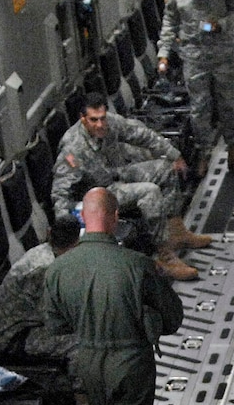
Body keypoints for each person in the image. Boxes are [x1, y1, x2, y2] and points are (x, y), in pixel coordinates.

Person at [43, 188, 185, 405]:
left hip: (89, 362)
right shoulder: (136, 265)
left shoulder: (58, 269)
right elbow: (173, 318)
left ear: (82, 221)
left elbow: (56, 324)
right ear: (116, 217)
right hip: (129, 361)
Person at [50, 94, 207, 282]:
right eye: (94, 120)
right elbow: (60, 191)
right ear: (83, 119)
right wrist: (65, 233)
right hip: (99, 194)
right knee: (149, 192)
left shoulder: (112, 123)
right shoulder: (73, 147)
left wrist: (174, 155)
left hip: (118, 174)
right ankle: (164, 255)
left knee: (166, 169)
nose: (100, 124)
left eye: (102, 118)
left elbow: (143, 135)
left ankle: (177, 232)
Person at [157, 0, 234, 176]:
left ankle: (233, 150)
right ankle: (204, 153)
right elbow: (169, 23)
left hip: (222, 55)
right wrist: (164, 54)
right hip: (194, 57)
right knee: (200, 108)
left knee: (228, 102)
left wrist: (222, 24)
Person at [0, 218, 81, 390]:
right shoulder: (44, 269)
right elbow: (54, 320)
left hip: (29, 325)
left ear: (49, 234)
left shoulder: (46, 252)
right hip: (15, 338)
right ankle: (81, 400)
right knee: (80, 345)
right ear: (76, 243)